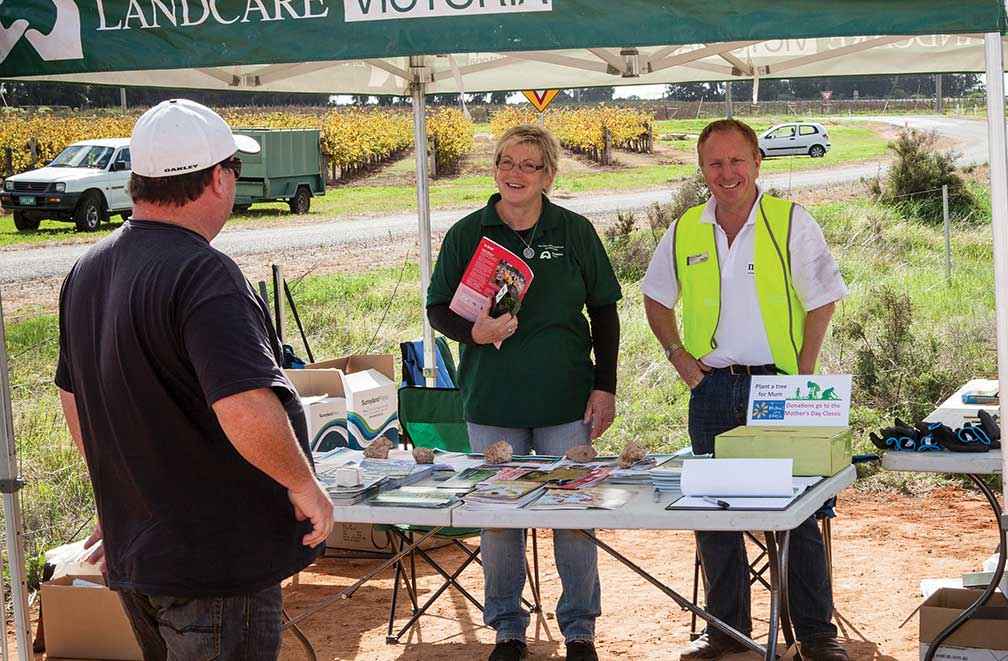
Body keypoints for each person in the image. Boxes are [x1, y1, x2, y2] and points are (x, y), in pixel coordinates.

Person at [55, 99, 333, 660]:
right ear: (215, 180)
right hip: (216, 560)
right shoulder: (204, 271)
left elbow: (75, 400)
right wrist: (305, 485)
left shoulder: (88, 268)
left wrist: (123, 500)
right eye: (233, 169)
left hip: (144, 551)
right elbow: (243, 403)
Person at [642, 119, 849, 661]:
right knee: (716, 515)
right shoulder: (686, 228)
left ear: (758, 162)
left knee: (798, 513)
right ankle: (727, 634)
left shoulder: (790, 222)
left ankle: (815, 636)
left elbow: (823, 298)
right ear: (701, 167)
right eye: (715, 163)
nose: (727, 173)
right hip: (711, 391)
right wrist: (680, 360)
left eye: (737, 161)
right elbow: (656, 299)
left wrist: (801, 373)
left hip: (779, 388)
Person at [426, 124, 622, 661]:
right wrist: (475, 333)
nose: (514, 173)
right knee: (499, 521)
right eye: (505, 162)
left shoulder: (575, 230)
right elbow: (438, 307)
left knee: (573, 516)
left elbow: (604, 311)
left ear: (549, 176)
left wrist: (605, 386)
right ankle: (508, 629)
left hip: (567, 402)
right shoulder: (468, 234)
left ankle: (580, 631)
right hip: (493, 404)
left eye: (528, 165)